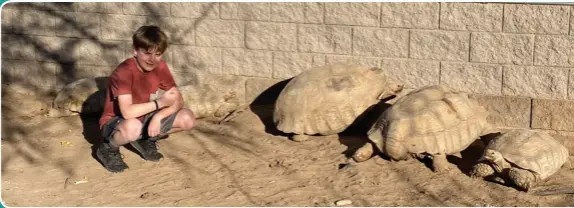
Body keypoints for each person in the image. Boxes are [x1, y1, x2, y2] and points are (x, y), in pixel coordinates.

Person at [97, 25, 196, 173]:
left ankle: (145, 140)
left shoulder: (160, 66)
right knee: (133, 127)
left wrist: (158, 117)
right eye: (147, 53)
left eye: (157, 54)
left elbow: (178, 100)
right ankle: (108, 148)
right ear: (135, 50)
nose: (152, 59)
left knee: (187, 118)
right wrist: (160, 103)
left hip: (142, 117)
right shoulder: (124, 72)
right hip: (116, 121)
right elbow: (127, 113)